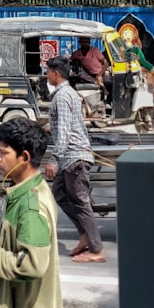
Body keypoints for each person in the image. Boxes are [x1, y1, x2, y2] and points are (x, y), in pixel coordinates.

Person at [0, 117, 63, 308]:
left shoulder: (31, 205)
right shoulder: (30, 191)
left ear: (24, 157)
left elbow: (31, 265)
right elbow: (22, 242)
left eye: (4, 153)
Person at [42, 56, 106, 263]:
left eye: (48, 72)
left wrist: (53, 159)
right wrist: (47, 127)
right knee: (59, 194)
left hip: (74, 156)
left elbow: (65, 132)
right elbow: (64, 124)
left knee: (80, 202)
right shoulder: (67, 94)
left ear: (56, 74)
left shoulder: (62, 97)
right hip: (69, 157)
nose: (46, 75)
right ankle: (84, 234)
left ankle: (97, 250)